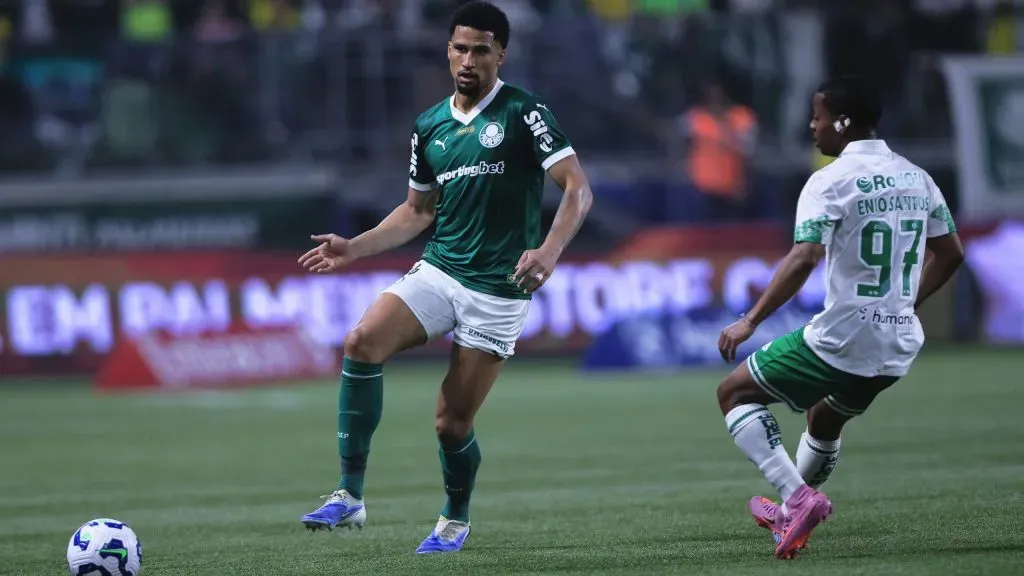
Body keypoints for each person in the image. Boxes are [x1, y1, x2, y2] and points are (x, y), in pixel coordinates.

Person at [296, 1, 592, 554]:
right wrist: (354, 247)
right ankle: (349, 494)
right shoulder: (429, 125)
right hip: (440, 269)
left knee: (450, 424)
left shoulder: (525, 112)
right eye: (460, 48)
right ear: (447, 50)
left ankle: (454, 519)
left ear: (501, 55)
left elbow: (577, 189)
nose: (468, 60)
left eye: (481, 50)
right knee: (361, 342)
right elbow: (417, 211)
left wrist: (550, 250)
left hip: (499, 289)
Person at [714, 75, 964, 559]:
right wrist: (905, 304)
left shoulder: (829, 180)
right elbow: (951, 253)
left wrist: (751, 320)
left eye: (818, 117)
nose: (813, 126)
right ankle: (790, 512)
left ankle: (797, 498)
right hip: (898, 344)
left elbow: (804, 257)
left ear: (843, 123)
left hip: (844, 336)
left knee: (734, 392)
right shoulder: (917, 177)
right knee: (825, 418)